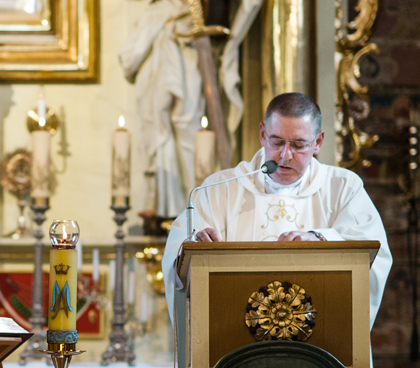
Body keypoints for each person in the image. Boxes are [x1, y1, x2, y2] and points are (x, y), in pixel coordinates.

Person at [161, 92, 393, 328]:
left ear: (318, 142)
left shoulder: (344, 187)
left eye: (298, 145)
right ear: (262, 134)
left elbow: (374, 254)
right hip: (235, 335)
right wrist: (195, 251)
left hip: (318, 341)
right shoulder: (219, 190)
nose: (285, 156)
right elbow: (177, 258)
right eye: (277, 142)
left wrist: (321, 240)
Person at [120, 0, 263, 219]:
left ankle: (192, 201)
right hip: (157, 47)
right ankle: (159, 200)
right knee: (152, 120)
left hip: (189, 50)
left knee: (187, 121)